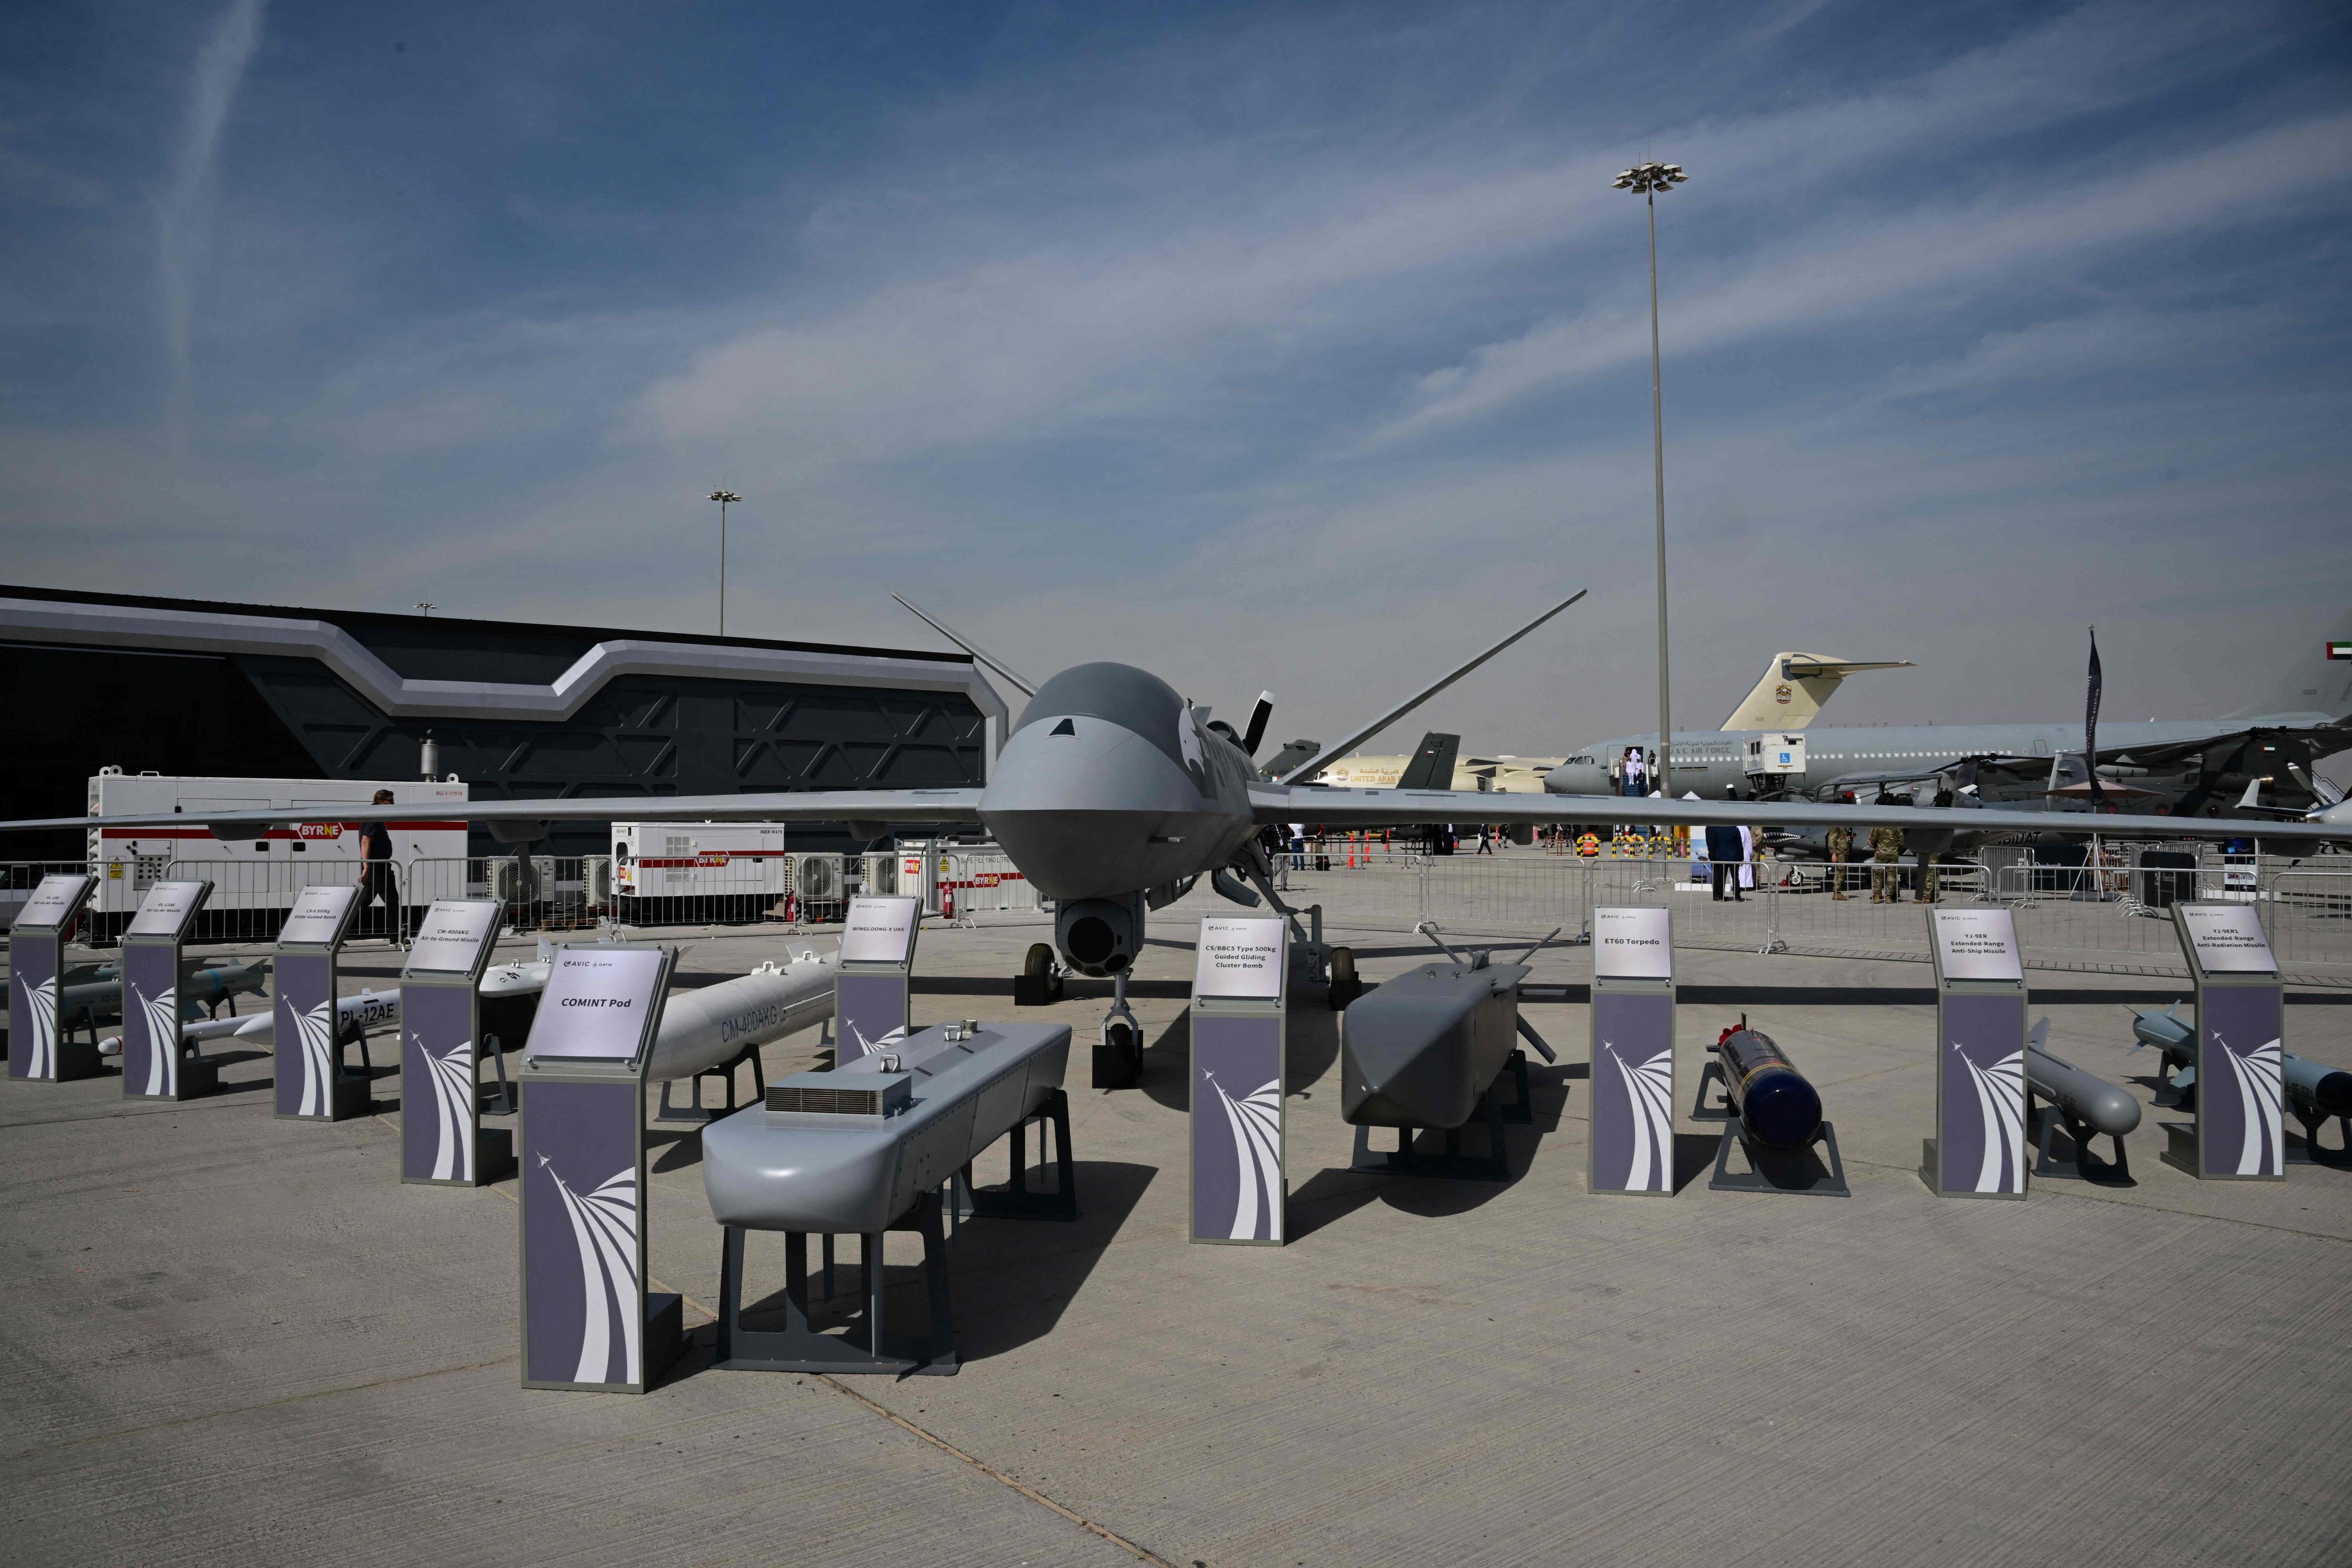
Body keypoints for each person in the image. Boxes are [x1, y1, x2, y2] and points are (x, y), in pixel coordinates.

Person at [356, 789, 400, 937]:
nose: (393, 803)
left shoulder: (375, 816)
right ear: (381, 801)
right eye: (390, 800)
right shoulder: (374, 816)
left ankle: (334, 932)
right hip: (377, 867)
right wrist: (367, 867)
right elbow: (365, 841)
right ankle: (395, 937)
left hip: (379, 867)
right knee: (391, 901)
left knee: (363, 902)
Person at [1868, 794, 1906, 904]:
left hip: (1880, 855)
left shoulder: (1878, 826)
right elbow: (1902, 842)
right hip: (1893, 855)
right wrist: (1895, 849)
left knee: (1878, 876)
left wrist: (1878, 847)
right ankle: (1889, 897)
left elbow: (1872, 840)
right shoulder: (1896, 827)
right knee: (1891, 877)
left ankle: (1876, 896)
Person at [1705, 822, 1742, 901]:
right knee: (1735, 877)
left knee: (1722, 877)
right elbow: (1739, 844)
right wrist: (1741, 858)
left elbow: (1716, 843)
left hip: (1721, 857)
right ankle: (1738, 896)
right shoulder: (1735, 829)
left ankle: (1721, 896)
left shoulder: (1718, 830)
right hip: (1734, 857)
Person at [1826, 819, 1854, 900]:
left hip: (1844, 851)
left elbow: (1841, 838)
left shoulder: (1844, 824)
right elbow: (1832, 839)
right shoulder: (1835, 825)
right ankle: (1837, 893)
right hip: (1839, 852)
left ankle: (1837, 892)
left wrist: (1849, 838)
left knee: (1842, 872)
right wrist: (1833, 853)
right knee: (1840, 872)